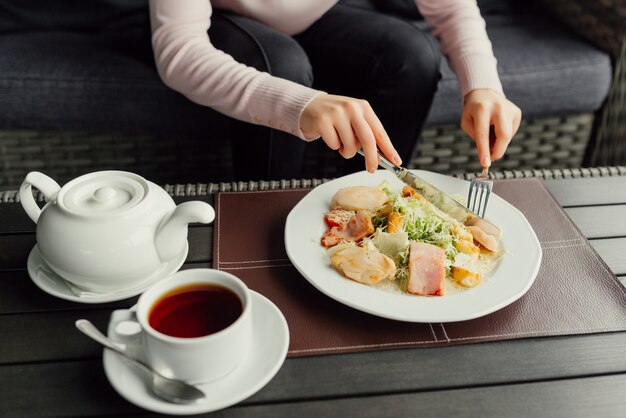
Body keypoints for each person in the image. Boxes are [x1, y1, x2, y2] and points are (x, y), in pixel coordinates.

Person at [148, 0, 521, 180]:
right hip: (219, 19)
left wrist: (483, 86)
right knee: (283, 65)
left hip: (311, 17)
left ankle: (368, 205)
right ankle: (264, 225)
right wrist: (299, 104)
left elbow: (451, 8)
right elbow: (179, 51)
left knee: (409, 55)